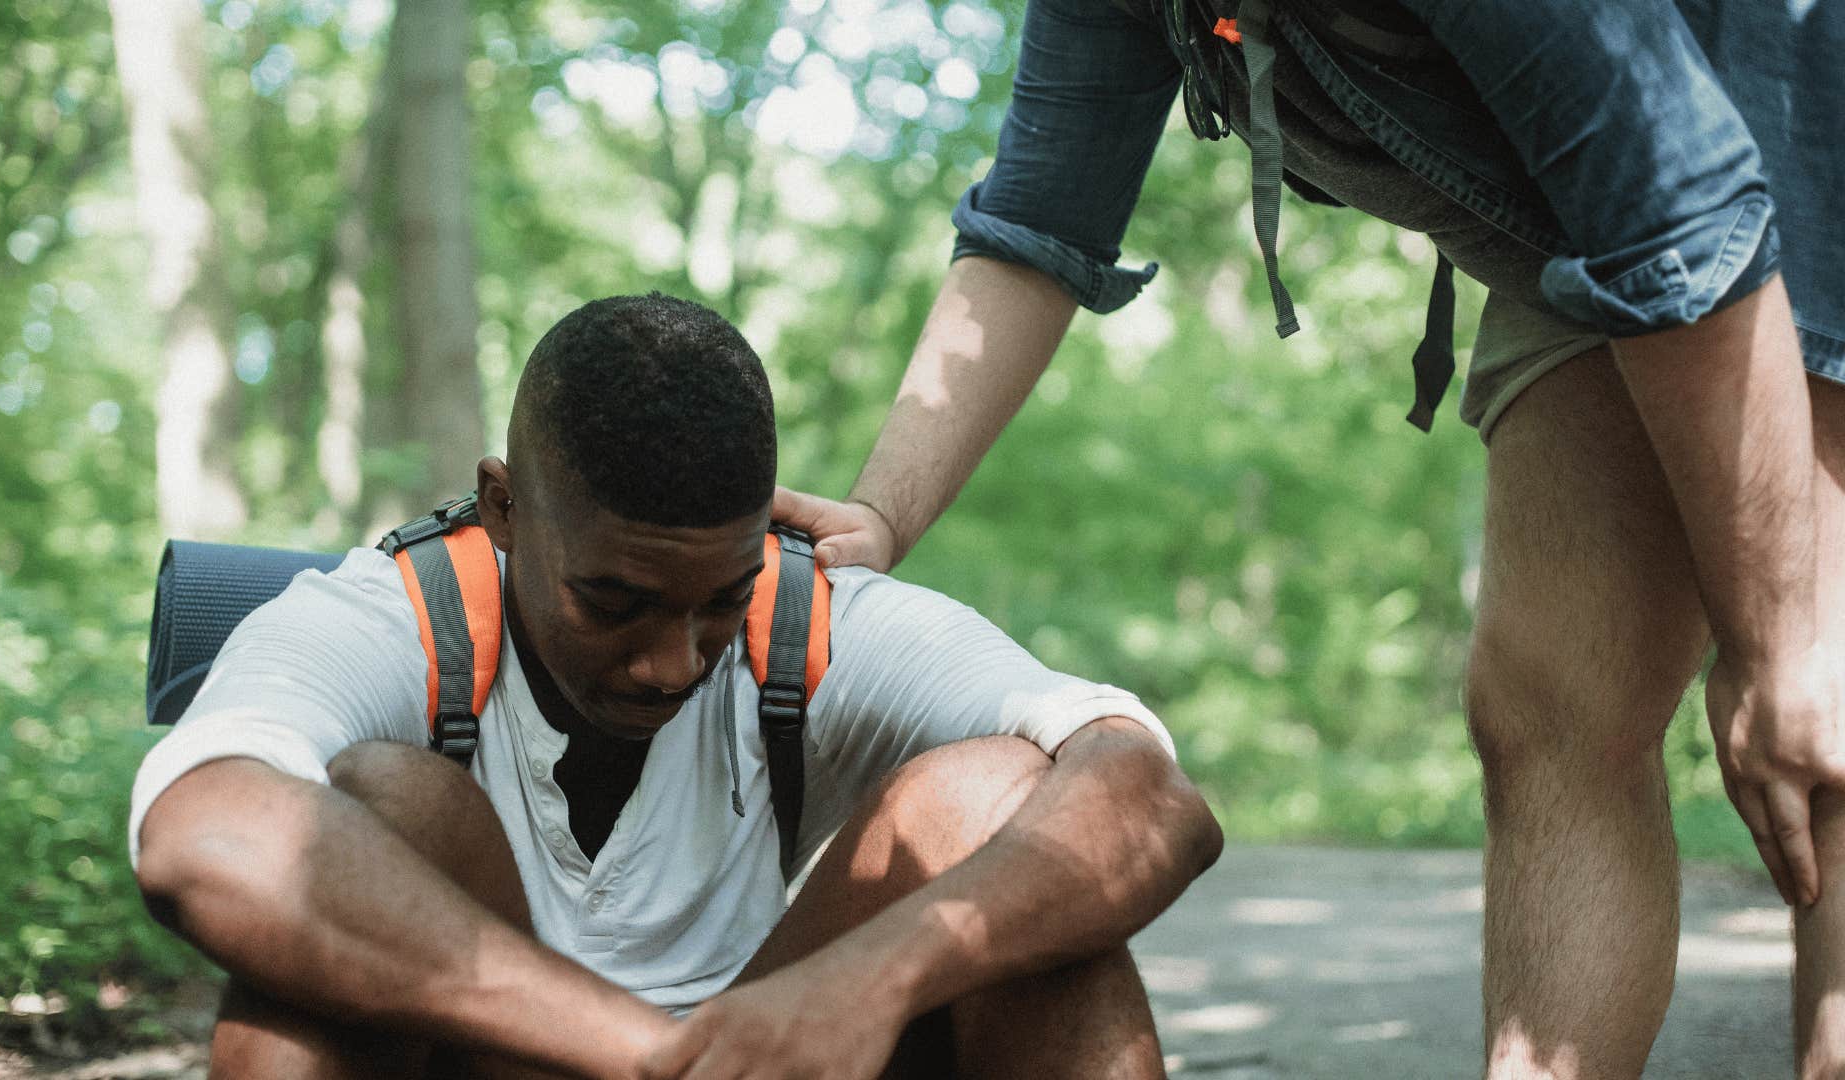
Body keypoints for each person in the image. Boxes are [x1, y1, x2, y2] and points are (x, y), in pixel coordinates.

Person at [771, 1, 1845, 1076]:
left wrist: (1776, 646)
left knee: (1823, 734)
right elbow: (1039, 228)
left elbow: (1683, 220)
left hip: (1780, 149)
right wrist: (884, 512)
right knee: (1549, 707)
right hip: (1589, 226)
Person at [127, 293, 1221, 1080]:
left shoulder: (817, 619)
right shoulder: (382, 618)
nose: (672, 661)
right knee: (381, 804)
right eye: (614, 603)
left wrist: (872, 982)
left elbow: (1152, 801)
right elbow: (202, 833)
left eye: (717, 601)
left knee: (1002, 821)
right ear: (504, 511)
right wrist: (659, 1056)